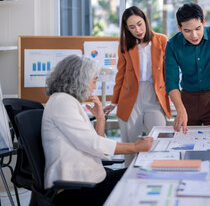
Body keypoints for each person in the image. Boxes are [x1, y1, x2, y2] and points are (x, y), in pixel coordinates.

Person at [42, 55, 153, 205]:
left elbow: (97, 147)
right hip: (75, 186)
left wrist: (100, 119)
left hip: (87, 179)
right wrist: (135, 147)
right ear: (80, 80)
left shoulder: (66, 101)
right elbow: (93, 144)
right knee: (142, 175)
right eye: (94, 81)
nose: (94, 86)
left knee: (139, 173)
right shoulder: (62, 103)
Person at [103, 6, 171, 166]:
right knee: (130, 146)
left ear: (146, 21)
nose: (138, 30)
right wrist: (114, 102)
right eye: (132, 27)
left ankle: (157, 175)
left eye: (140, 24)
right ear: (126, 28)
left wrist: (174, 96)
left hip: (154, 96)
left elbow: (169, 71)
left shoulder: (161, 40)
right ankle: (128, 181)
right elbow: (120, 75)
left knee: (159, 141)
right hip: (130, 98)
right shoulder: (125, 44)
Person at [165, 2, 210, 133]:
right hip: (187, 101)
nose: (194, 35)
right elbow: (171, 81)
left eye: (198, 28)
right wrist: (180, 110)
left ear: (203, 22)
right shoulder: (172, 45)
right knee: (186, 146)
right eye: (187, 31)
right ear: (179, 27)